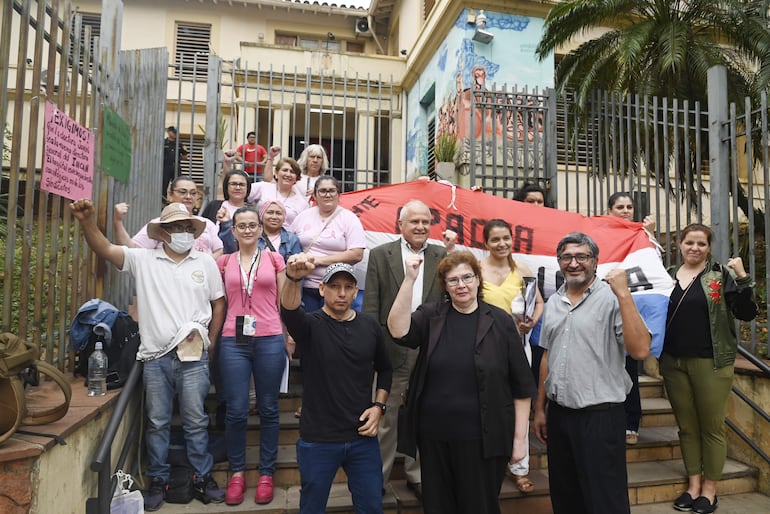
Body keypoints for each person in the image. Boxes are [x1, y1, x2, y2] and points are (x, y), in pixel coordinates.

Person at [69, 200, 226, 511]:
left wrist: (212, 343)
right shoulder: (144, 259)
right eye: (176, 227)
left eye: (187, 227)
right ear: (163, 232)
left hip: (194, 356)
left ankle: (201, 476)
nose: (182, 232)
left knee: (196, 420)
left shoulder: (205, 262)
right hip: (155, 356)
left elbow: (218, 303)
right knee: (156, 422)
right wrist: (87, 223)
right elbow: (106, 249)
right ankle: (158, 478)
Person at [387, 251, 534, 514]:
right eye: (453, 280)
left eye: (467, 277)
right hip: (434, 438)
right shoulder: (432, 315)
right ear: (444, 285)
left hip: (484, 440)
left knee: (479, 507)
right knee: (438, 507)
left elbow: (522, 386)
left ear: (479, 279)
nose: (461, 285)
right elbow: (398, 330)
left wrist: (520, 440)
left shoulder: (500, 321)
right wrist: (409, 279)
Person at [533, 232, 651, 514]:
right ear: (559, 262)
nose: (574, 263)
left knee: (604, 500)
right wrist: (540, 408)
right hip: (560, 416)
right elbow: (548, 355)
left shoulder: (613, 298)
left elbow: (641, 350)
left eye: (582, 256)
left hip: (600, 417)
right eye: (567, 257)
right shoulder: (554, 302)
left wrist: (623, 293)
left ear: (595, 261)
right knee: (565, 496)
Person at [280, 258, 392, 513]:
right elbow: (289, 310)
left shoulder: (370, 326)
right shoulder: (309, 325)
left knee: (372, 507)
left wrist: (378, 406)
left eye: (348, 286)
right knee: (312, 507)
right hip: (319, 438)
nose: (341, 293)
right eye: (334, 286)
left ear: (355, 291)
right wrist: (293, 277)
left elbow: (385, 368)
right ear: (322, 289)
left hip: (362, 437)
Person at [661, 224, 756, 514]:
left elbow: (746, 312)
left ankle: (709, 491)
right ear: (679, 243)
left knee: (711, 427)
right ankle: (692, 486)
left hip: (711, 362)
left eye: (701, 244)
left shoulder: (719, 275)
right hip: (672, 362)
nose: (694, 248)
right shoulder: (666, 276)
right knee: (687, 428)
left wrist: (742, 278)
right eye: (689, 242)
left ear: (708, 247)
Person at [363, 200, 447, 497]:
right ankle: (378, 479)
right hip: (392, 349)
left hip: (430, 350)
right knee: (387, 419)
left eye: (426, 221)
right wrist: (372, 351)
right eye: (415, 222)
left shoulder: (441, 255)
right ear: (400, 225)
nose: (422, 227)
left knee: (425, 415)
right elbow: (371, 305)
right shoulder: (379, 255)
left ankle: (418, 475)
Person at [216, 207, 287, 506]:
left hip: (270, 337)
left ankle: (267, 473)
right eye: (241, 226)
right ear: (232, 231)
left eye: (252, 225)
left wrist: (289, 336)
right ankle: (237, 472)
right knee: (236, 410)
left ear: (260, 229)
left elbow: (285, 302)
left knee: (269, 408)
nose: (247, 230)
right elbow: (217, 302)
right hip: (234, 339)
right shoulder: (222, 262)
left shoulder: (274, 258)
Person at [479, 219, 544, 494]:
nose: (502, 244)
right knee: (486, 405)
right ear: (485, 243)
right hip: (482, 348)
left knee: (521, 406)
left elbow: (538, 302)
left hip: (518, 346)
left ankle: (519, 468)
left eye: (506, 238)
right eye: (495, 239)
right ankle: (486, 463)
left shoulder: (523, 270)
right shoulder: (476, 269)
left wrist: (531, 322)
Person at [606, 191, 654, 445]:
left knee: (629, 368)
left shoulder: (641, 235)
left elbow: (653, 265)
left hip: (631, 308)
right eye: (619, 207)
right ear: (610, 210)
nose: (625, 211)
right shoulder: (602, 233)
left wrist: (649, 235)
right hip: (605, 309)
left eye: (629, 207)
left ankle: (631, 422)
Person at [289, 175, 365, 312]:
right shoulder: (302, 217)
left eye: (332, 191)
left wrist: (319, 261)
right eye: (323, 191)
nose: (327, 195)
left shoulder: (349, 219)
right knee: (307, 329)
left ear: (338, 194)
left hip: (336, 289)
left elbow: (357, 254)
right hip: (304, 286)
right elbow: (290, 244)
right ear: (315, 195)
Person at [113, 176, 223, 258]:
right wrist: (118, 222)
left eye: (193, 193)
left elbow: (219, 250)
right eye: (182, 192)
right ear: (170, 195)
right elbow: (132, 250)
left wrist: (202, 266)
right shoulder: (159, 224)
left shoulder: (206, 223)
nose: (188, 197)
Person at [248, 157, 309, 225]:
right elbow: (241, 194)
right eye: (285, 170)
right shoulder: (263, 187)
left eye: (292, 172)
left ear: (296, 178)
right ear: (276, 173)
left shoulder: (302, 204)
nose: (288, 174)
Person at [163, 126, 189, 195]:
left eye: (176, 133)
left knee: (178, 184)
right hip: (166, 167)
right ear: (168, 132)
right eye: (174, 132)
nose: (175, 134)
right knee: (164, 184)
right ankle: (163, 200)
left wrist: (177, 158)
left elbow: (185, 156)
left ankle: (177, 198)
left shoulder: (179, 144)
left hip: (176, 166)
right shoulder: (163, 143)